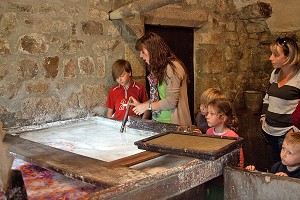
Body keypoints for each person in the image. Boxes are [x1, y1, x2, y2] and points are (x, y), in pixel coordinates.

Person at [129, 32, 192, 125]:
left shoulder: (172, 67)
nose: (141, 55)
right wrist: (141, 105)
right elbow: (159, 98)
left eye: (143, 51)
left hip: (173, 124)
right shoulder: (158, 68)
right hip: (159, 121)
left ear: (153, 50)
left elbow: (171, 102)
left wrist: (147, 106)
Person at [260, 36, 300, 165]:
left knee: (287, 169)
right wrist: (263, 117)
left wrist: (295, 129)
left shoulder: (299, 77)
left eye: (276, 55)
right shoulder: (275, 73)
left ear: (288, 57)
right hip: (268, 130)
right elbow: (268, 96)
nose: (270, 58)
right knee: (274, 166)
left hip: (286, 132)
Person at [205, 98, 244, 167]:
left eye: (212, 114)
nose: (207, 117)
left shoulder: (233, 137)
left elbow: (239, 160)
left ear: (222, 118)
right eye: (207, 113)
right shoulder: (209, 132)